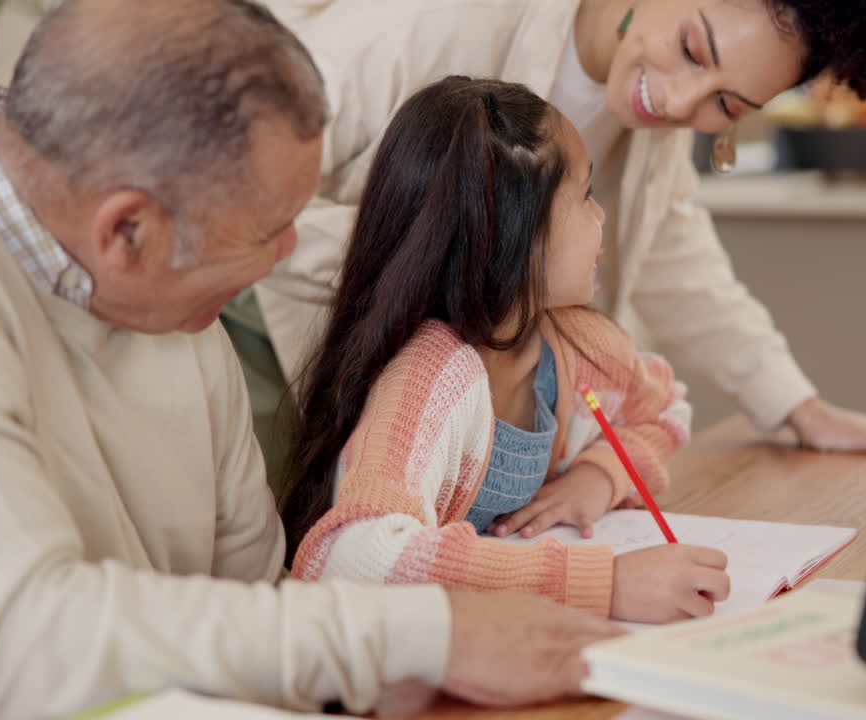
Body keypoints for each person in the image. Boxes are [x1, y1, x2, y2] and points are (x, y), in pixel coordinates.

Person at [0, 2, 618, 719]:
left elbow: (259, 599)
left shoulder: (170, 304)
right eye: (267, 233)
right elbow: (29, 636)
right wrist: (430, 636)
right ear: (127, 230)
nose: (289, 257)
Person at [229, 0, 866, 487]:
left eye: (727, 104)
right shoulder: (447, 17)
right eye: (694, 51)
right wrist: (458, 264)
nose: (675, 102)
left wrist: (796, 404)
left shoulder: (653, 114)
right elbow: (237, 172)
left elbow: (675, 250)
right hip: (265, 336)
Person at [281, 76, 730, 624]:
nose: (601, 216)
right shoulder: (429, 376)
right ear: (514, 231)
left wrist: (601, 474)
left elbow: (663, 411)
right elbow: (354, 555)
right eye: (585, 195)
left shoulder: (578, 343)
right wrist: (602, 583)